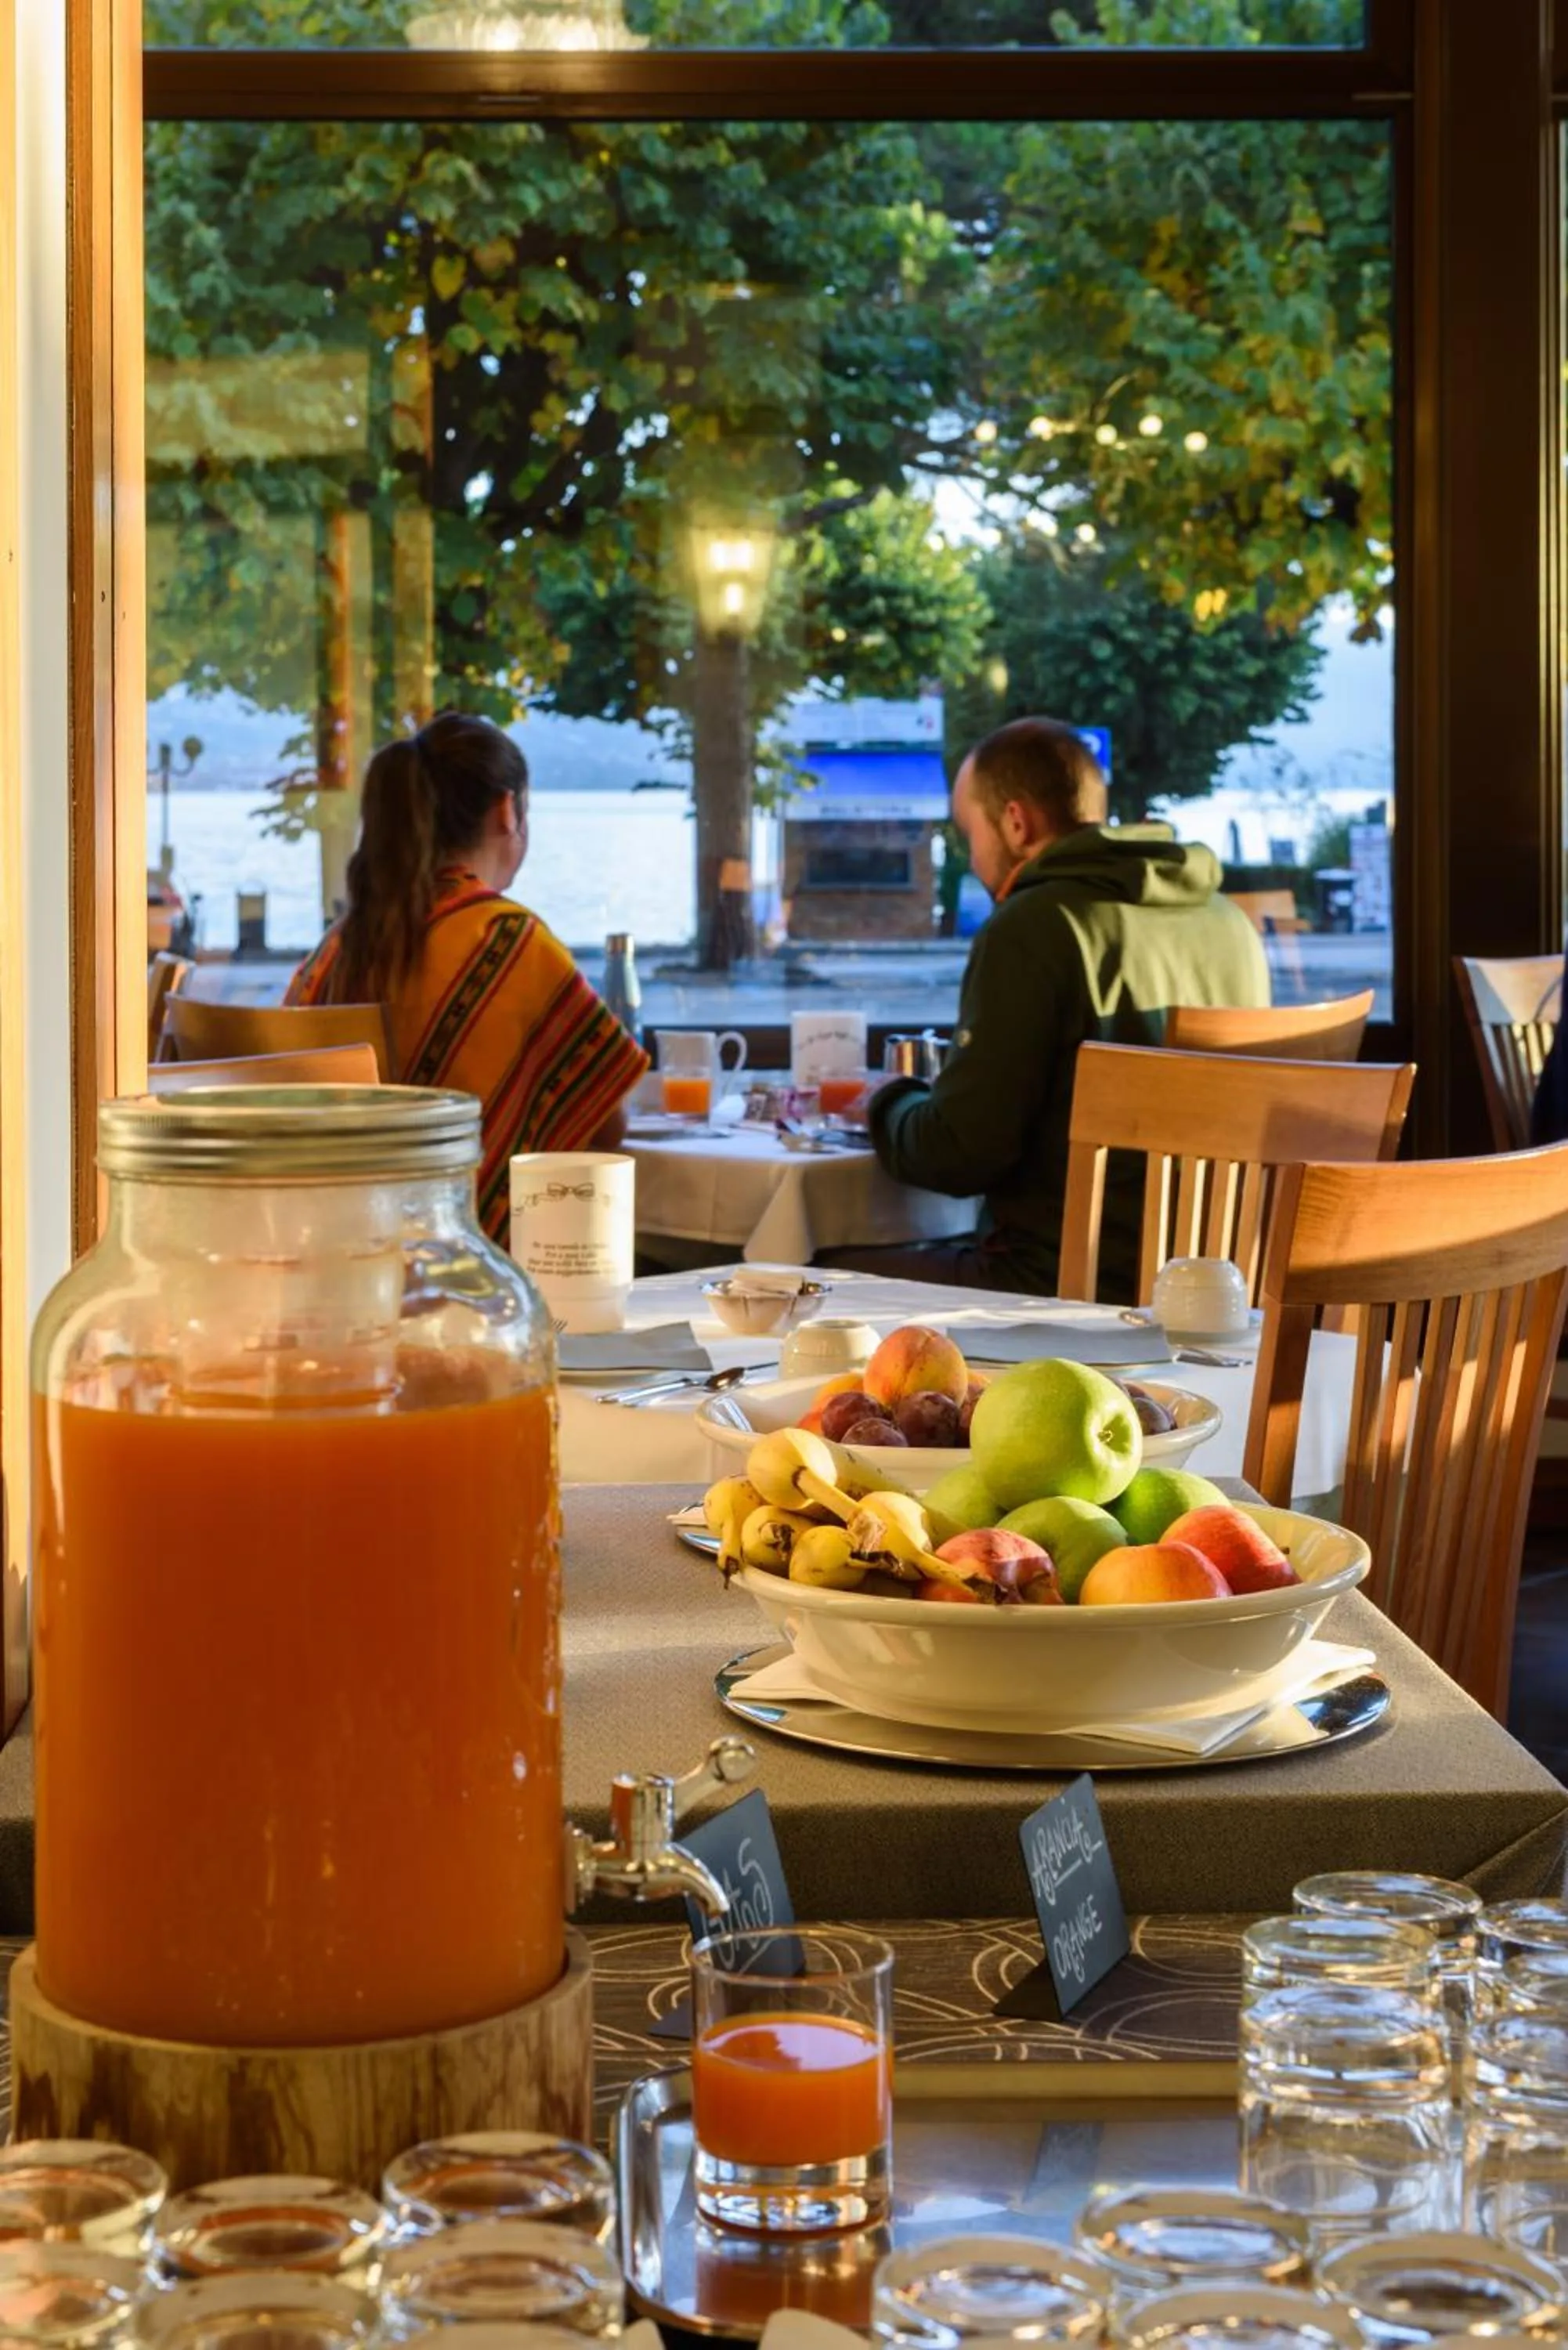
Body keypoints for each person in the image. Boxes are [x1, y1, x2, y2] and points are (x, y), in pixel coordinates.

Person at [847, 714, 1271, 1301]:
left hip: (1061, 1283)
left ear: (1016, 822)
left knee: (808, 1272)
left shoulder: (1035, 926)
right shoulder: (1230, 926)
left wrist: (886, 1099)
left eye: (971, 835)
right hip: (1216, 1290)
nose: (972, 860)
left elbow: (960, 1154)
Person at [287, 712, 648, 1243]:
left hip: (326, 1252)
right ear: (508, 811)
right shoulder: (507, 942)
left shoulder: (337, 947)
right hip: (459, 1266)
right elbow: (604, 1125)